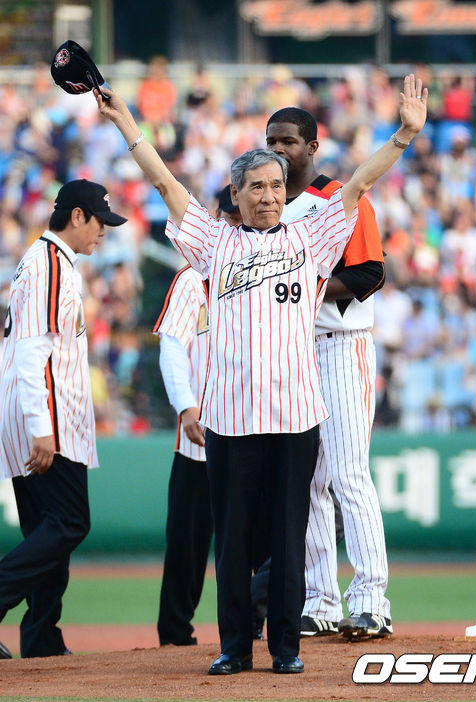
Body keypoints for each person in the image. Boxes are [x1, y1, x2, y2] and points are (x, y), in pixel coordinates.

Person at [95, 74, 427, 674]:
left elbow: (359, 184)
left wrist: (404, 133)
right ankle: (232, 648)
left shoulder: (310, 236)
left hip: (297, 416)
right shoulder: (213, 243)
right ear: (237, 194)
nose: (270, 196)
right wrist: (126, 124)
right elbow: (164, 182)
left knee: (287, 537)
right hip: (231, 418)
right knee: (235, 542)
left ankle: (287, 650)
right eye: (257, 187)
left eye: (276, 185)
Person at [265, 106, 390, 639]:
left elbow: (369, 273)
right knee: (306, 481)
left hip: (341, 345)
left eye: (289, 141)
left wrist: (303, 285)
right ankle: (318, 600)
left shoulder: (339, 199)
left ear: (312, 147)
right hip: (293, 351)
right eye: (272, 140)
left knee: (347, 473)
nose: (279, 148)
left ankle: (371, 600)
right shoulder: (263, 206)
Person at [0, 179, 127, 658]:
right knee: (70, 523)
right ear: (77, 216)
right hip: (46, 413)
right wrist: (42, 427)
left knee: (46, 530)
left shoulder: (44, 261)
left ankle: (41, 635)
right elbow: (36, 352)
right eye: (100, 223)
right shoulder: (52, 264)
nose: (103, 233)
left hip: (32, 409)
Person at [155, 186, 241, 647]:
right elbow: (172, 345)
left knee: (250, 543)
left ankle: (252, 630)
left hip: (249, 431)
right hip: (200, 438)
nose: (231, 224)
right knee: (187, 546)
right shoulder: (193, 279)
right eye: (227, 216)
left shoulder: (263, 274)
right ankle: (174, 637)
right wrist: (185, 403)